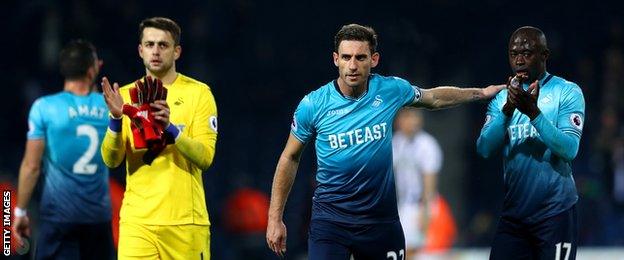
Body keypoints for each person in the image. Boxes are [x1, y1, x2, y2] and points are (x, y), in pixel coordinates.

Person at [266, 23, 504, 259]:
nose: (352, 65)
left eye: (360, 57)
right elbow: (290, 156)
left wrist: (480, 93)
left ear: (374, 59)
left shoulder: (390, 90)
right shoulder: (313, 105)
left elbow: (433, 98)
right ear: (335, 59)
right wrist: (274, 218)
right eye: (346, 57)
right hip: (331, 223)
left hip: (380, 224)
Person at [100, 17, 218, 259]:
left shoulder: (199, 94)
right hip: (138, 223)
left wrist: (171, 129)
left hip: (185, 225)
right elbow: (111, 160)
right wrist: (114, 118)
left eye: (163, 45)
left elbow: (205, 158)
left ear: (177, 52)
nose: (155, 50)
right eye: (150, 44)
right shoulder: (123, 96)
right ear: (140, 50)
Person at [476, 26, 585, 260]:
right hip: (515, 217)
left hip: (555, 213)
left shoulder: (566, 92)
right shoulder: (502, 99)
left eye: (527, 53)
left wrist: (534, 113)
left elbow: (569, 149)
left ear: (544, 55)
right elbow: (484, 148)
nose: (519, 59)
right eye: (514, 54)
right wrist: (507, 110)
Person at [13, 39, 114, 259]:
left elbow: (31, 166)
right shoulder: (110, 107)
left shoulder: (44, 107)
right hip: (97, 220)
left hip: (58, 218)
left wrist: (20, 210)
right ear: (91, 70)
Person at [392, 108, 442, 259]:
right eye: (407, 117)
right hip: (401, 205)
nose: (412, 121)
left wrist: (425, 211)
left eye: (415, 117)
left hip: (418, 205)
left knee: (411, 251)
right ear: (399, 120)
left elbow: (430, 181)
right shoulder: (395, 142)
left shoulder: (427, 144)